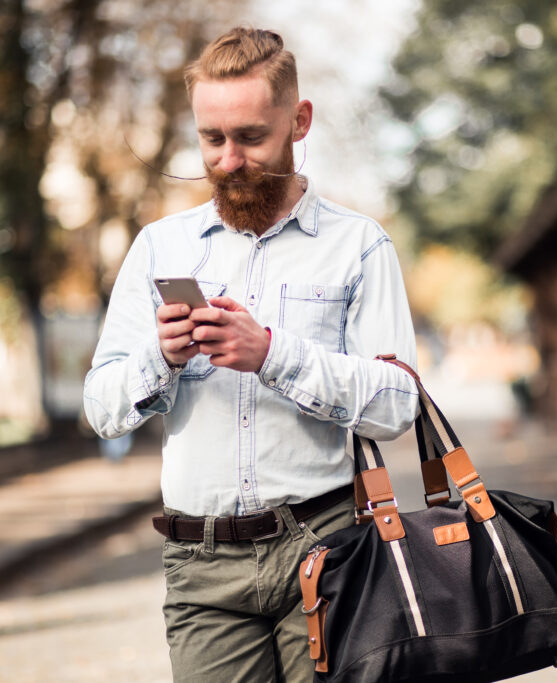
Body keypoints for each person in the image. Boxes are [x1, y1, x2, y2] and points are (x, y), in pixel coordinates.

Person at [83, 27, 419, 681]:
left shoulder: (359, 245)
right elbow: (102, 407)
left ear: (299, 121)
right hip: (201, 566)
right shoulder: (160, 248)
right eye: (213, 139)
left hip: (324, 548)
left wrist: (272, 354)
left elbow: (398, 405)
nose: (230, 158)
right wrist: (161, 358)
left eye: (250, 137)